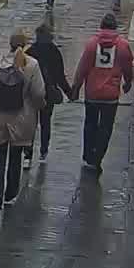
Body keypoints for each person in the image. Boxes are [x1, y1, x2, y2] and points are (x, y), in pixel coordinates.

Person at [0, 30, 47, 220]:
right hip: (21, 119)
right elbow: (38, 94)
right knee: (16, 157)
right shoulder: (32, 65)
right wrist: (38, 108)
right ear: (25, 45)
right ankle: (10, 194)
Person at [72, 12, 134, 172]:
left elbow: (82, 68)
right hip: (111, 94)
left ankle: (87, 154)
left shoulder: (92, 44)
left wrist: (76, 87)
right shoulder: (122, 45)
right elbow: (128, 66)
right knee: (106, 128)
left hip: (92, 92)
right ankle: (97, 158)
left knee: (90, 124)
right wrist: (128, 82)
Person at [27, 22, 76, 165]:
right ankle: (43, 151)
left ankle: (28, 154)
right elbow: (60, 76)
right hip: (48, 92)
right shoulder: (55, 52)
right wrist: (69, 92)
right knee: (46, 122)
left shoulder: (30, 51)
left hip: (32, 93)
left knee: (31, 123)